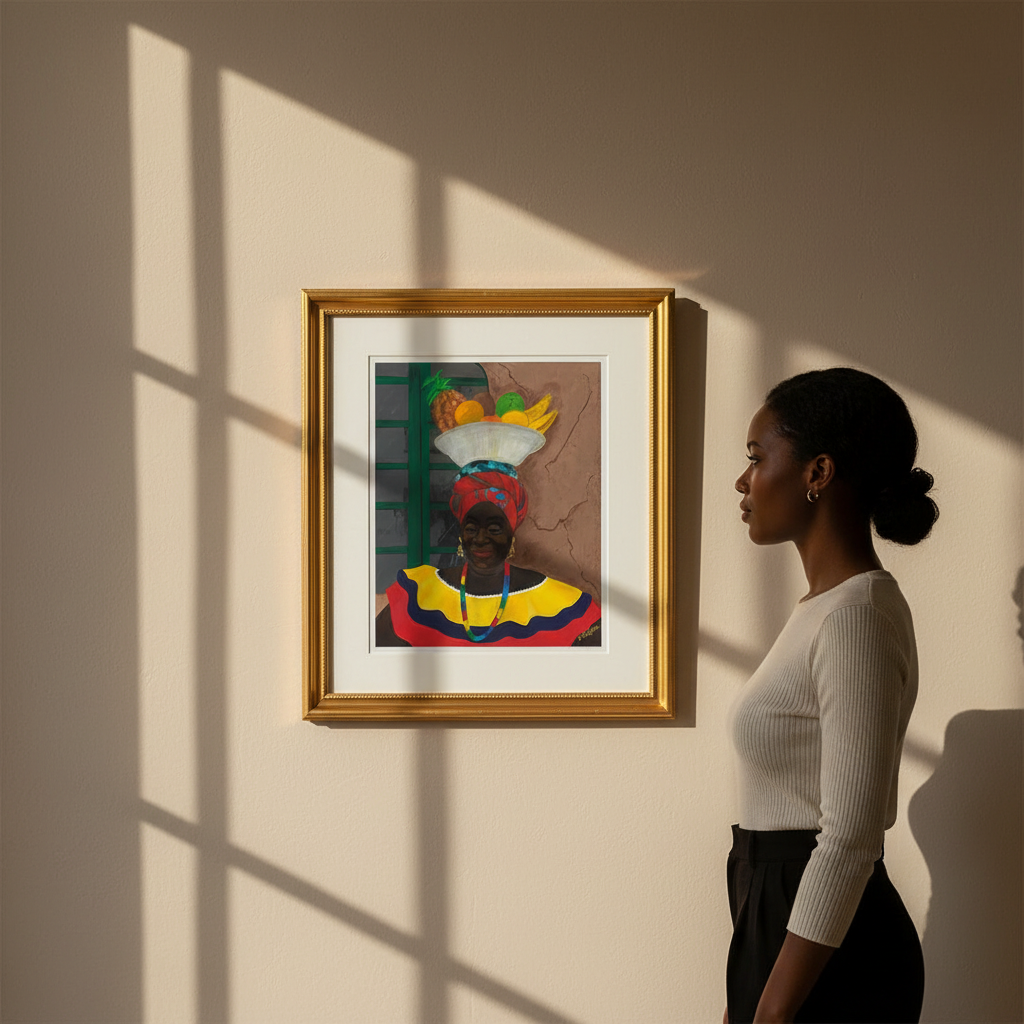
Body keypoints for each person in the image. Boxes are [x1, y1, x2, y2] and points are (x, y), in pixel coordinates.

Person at [726, 367, 937, 1024]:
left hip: (830, 948)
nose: (743, 481)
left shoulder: (855, 617)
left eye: (757, 458)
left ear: (817, 472)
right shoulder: (825, 611)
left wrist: (773, 1009)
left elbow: (848, 835)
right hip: (781, 920)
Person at [375, 460, 601, 647]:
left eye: (494, 529)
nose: (481, 539)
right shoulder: (417, 595)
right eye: (471, 529)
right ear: (461, 534)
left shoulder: (561, 604)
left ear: (511, 535)